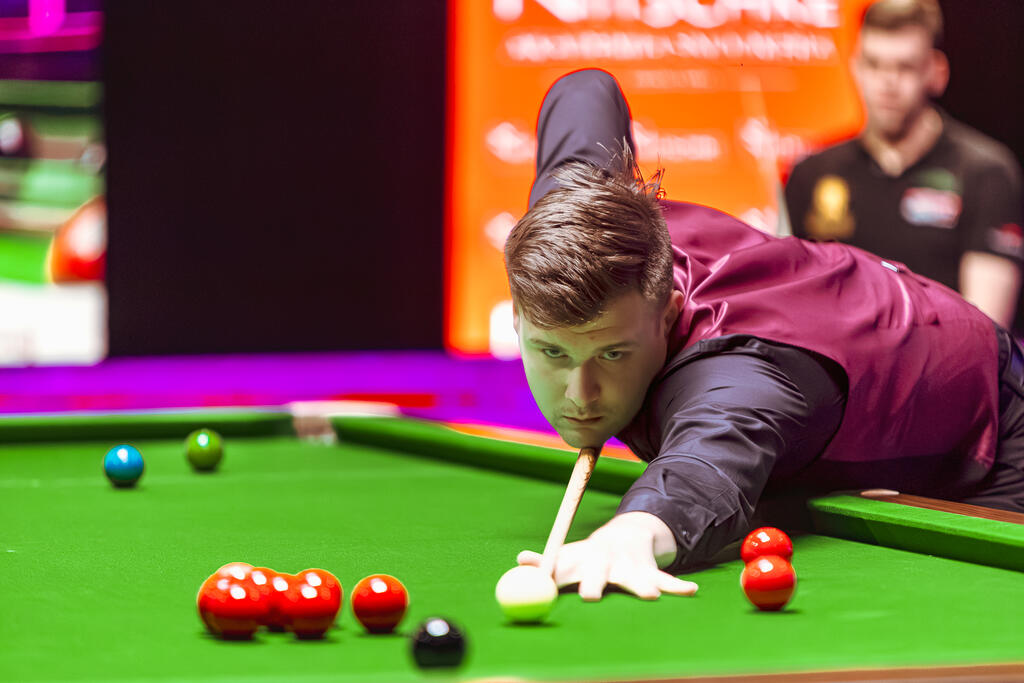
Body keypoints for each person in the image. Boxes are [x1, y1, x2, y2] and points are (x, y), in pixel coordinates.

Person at [504, 68, 1024, 604]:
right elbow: (586, 89)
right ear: (518, 315)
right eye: (552, 351)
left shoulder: (736, 375)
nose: (580, 394)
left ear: (667, 315)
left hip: (987, 414)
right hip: (850, 353)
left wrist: (632, 533)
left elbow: (704, 466)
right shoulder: (573, 217)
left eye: (613, 353)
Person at [784, 0, 1024, 329]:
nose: (888, 83)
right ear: (855, 68)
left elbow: (985, 332)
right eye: (874, 65)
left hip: (946, 359)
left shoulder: (987, 174)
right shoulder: (811, 174)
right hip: (834, 359)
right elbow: (793, 309)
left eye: (905, 67)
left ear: (937, 73)